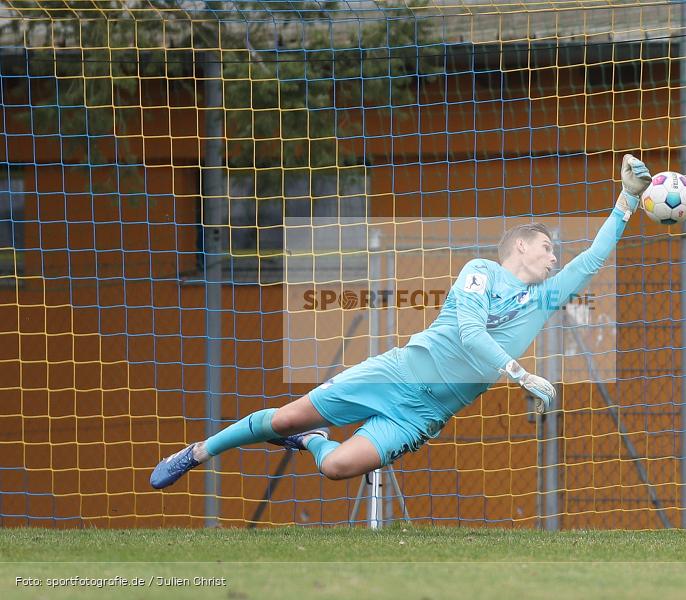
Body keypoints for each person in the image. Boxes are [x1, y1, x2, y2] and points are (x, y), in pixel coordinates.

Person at [150, 154, 651, 488]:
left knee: (337, 466)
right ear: (519, 246)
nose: (554, 257)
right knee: (282, 419)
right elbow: (470, 334)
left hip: (423, 414)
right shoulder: (480, 271)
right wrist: (521, 375)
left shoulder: (544, 298)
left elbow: (592, 259)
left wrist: (627, 199)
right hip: (395, 375)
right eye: (546, 246)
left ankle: (312, 441)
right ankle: (197, 452)